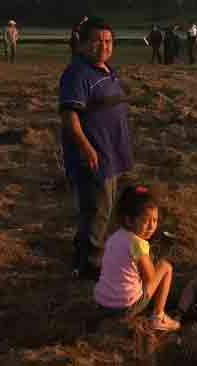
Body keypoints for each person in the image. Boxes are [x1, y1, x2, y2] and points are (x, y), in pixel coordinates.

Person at [59, 17, 133, 280]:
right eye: (97, 41)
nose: (103, 46)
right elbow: (70, 117)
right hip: (94, 156)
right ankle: (90, 265)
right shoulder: (77, 73)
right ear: (82, 44)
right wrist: (87, 149)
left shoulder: (105, 69)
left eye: (108, 41)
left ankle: (83, 258)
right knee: (96, 211)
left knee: (104, 208)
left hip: (112, 153)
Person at [94, 186, 181, 332]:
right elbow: (150, 278)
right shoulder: (138, 243)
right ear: (129, 220)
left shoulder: (114, 237)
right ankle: (158, 317)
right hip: (124, 307)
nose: (152, 226)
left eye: (155, 220)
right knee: (166, 267)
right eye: (146, 221)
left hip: (102, 302)